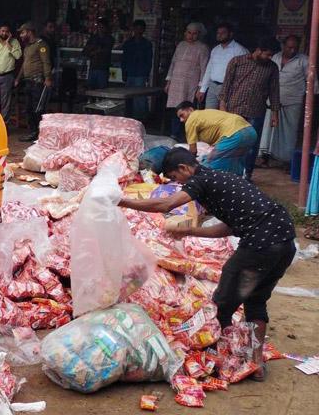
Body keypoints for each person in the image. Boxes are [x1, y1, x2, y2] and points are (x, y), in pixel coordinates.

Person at [119, 147, 294, 382]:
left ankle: (213, 359)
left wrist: (122, 201)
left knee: (222, 302)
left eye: (174, 177)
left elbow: (165, 205)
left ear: (184, 168)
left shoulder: (200, 180)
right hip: (284, 243)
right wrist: (191, 231)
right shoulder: (221, 179)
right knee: (256, 300)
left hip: (259, 244)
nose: (177, 183)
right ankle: (255, 363)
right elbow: (230, 226)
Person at [218, 36, 280, 181]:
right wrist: (222, 107)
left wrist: (275, 115)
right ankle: (228, 173)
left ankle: (247, 175)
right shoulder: (237, 62)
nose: (270, 57)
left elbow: (274, 91)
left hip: (256, 111)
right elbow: (226, 86)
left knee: (251, 145)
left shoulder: (272, 67)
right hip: (234, 110)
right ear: (258, 50)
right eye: (268, 54)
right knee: (231, 142)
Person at [176, 102, 256, 176]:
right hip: (250, 131)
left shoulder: (192, 118)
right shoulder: (206, 113)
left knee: (209, 164)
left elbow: (193, 151)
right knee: (234, 162)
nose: (181, 120)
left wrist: (188, 165)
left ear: (190, 110)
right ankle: (238, 185)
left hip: (234, 134)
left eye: (182, 115)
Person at [262, 35, 308, 165]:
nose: (292, 50)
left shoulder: (304, 61)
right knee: (269, 132)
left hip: (293, 101)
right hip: (272, 101)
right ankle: (266, 158)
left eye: (295, 48)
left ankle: (288, 160)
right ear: (283, 46)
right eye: (289, 47)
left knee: (289, 133)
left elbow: (312, 84)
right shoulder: (275, 57)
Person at [165, 22, 211, 142]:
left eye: (194, 34)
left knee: (188, 109)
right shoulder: (180, 45)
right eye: (189, 33)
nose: (191, 36)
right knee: (175, 109)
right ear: (185, 33)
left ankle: (188, 136)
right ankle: (174, 134)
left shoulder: (203, 48)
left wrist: (201, 88)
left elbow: (204, 68)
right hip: (176, 83)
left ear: (199, 35)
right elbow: (173, 63)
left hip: (190, 85)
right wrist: (169, 81)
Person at [198, 23, 248, 109]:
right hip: (213, 86)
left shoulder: (240, 51)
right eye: (218, 33)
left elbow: (245, 74)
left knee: (225, 116)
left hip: (229, 88)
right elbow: (209, 69)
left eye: (223, 33)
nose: (219, 35)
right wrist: (202, 89)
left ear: (230, 34)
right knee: (210, 115)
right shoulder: (215, 49)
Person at [16, 24, 53, 142]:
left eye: (22, 33)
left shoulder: (41, 45)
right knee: (28, 108)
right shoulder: (27, 47)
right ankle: (32, 132)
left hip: (37, 81)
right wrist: (18, 78)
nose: (21, 35)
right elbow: (24, 63)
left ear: (29, 32)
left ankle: (39, 133)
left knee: (38, 108)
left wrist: (47, 78)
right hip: (28, 81)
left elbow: (46, 62)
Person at [0, 25, 22, 122]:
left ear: (9, 33)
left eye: (6, 31)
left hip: (7, 76)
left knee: (6, 102)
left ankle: (4, 125)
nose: (4, 33)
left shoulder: (14, 42)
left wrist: (8, 44)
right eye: (2, 31)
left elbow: (18, 56)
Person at [121, 20, 153, 118]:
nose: (138, 31)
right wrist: (124, 72)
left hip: (141, 73)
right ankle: (129, 117)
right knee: (128, 97)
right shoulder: (128, 43)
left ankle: (141, 118)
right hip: (130, 72)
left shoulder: (147, 44)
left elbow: (149, 60)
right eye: (136, 28)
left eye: (140, 28)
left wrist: (147, 74)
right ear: (133, 29)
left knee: (139, 97)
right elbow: (124, 59)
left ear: (143, 30)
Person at [83, 17, 114, 90]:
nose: (100, 29)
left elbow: (104, 51)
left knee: (102, 91)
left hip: (103, 69)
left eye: (102, 27)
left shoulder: (109, 38)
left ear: (106, 28)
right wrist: (94, 51)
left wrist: (94, 50)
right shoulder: (93, 38)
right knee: (90, 90)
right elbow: (85, 51)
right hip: (93, 68)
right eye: (99, 27)